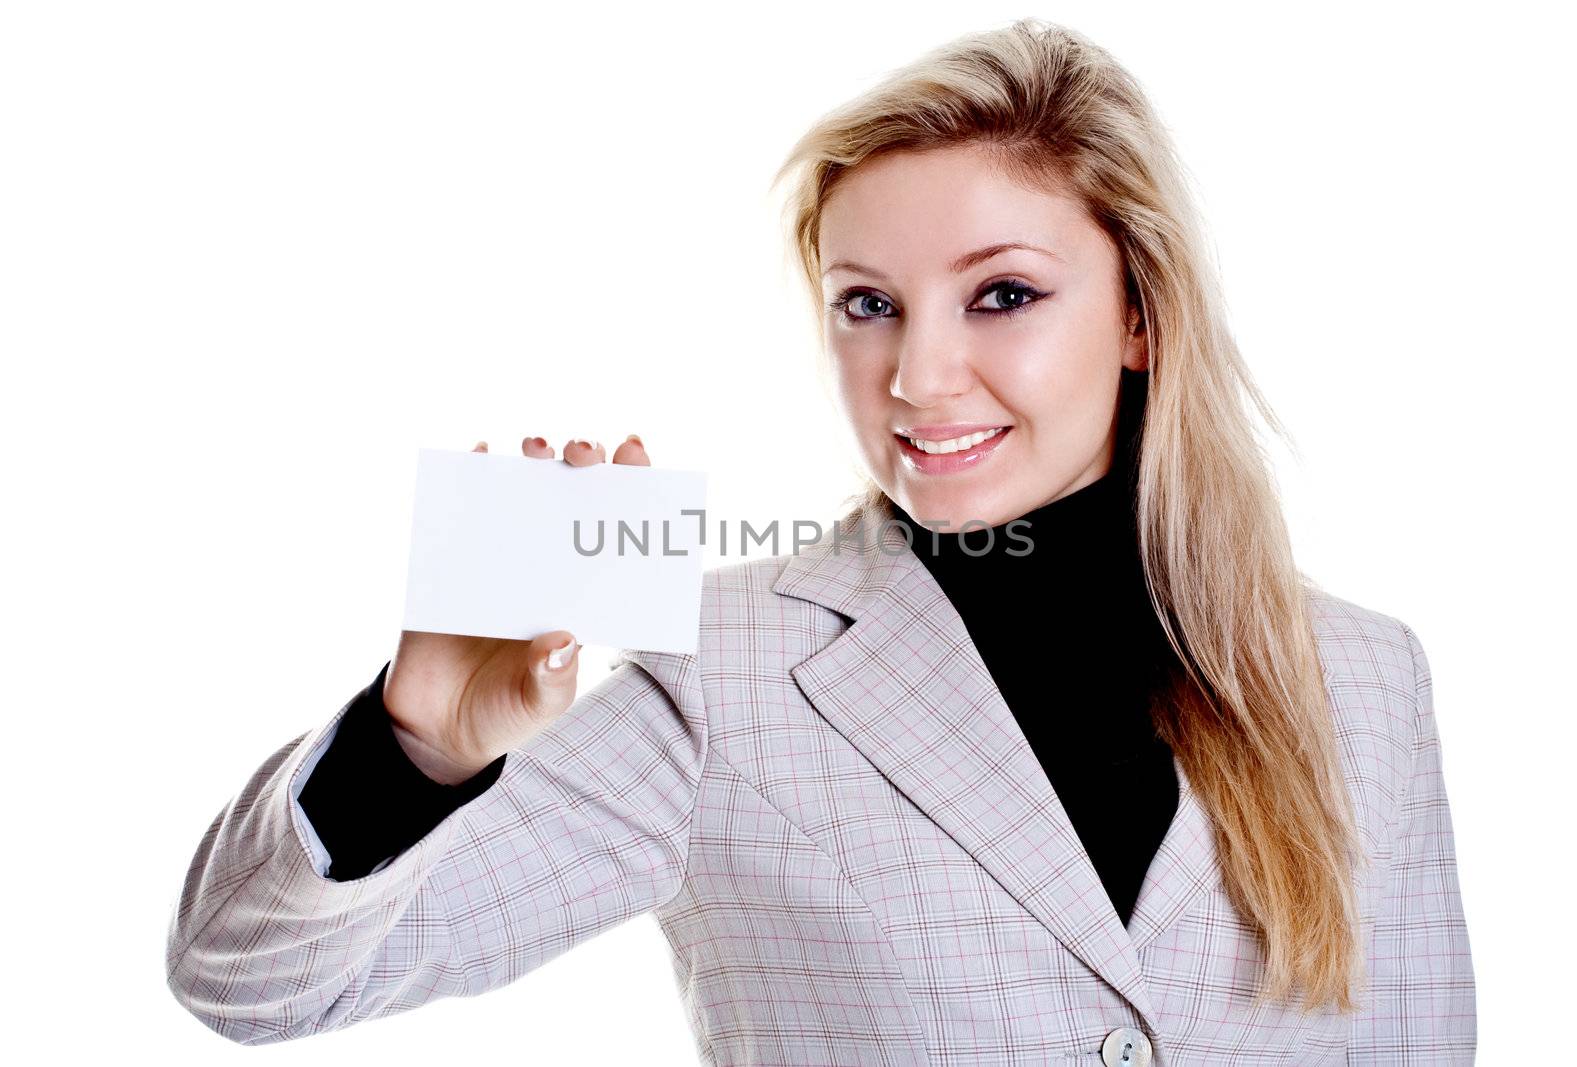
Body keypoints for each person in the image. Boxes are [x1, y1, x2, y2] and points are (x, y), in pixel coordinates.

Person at [165, 18, 1476, 1065]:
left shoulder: (1364, 678)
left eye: (1002, 294)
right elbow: (255, 988)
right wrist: (415, 749)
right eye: (867, 305)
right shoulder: (718, 672)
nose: (916, 374)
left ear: (1139, 313)